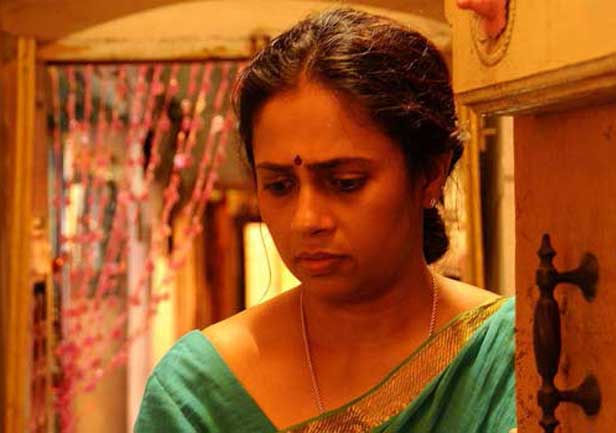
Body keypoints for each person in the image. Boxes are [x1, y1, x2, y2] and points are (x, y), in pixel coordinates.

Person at [135, 7, 515, 433]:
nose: (306, 220)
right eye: (280, 186)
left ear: (429, 174)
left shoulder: (512, 355)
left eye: (345, 183)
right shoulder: (199, 391)